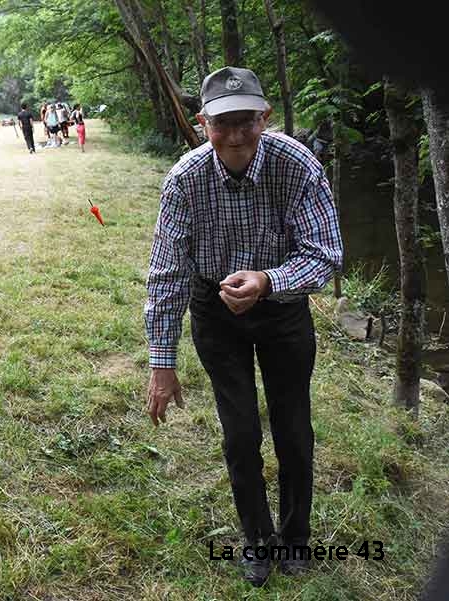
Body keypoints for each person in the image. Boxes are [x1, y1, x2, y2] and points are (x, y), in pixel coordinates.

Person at [144, 66, 343, 587]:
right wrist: (162, 364)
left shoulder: (298, 165)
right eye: (222, 123)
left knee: (294, 430)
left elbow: (326, 255)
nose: (235, 135)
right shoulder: (185, 180)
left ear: (265, 117)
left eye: (246, 121)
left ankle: (296, 538)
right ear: (201, 123)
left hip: (283, 309)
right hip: (215, 313)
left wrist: (267, 280)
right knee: (240, 435)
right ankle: (257, 539)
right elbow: (167, 273)